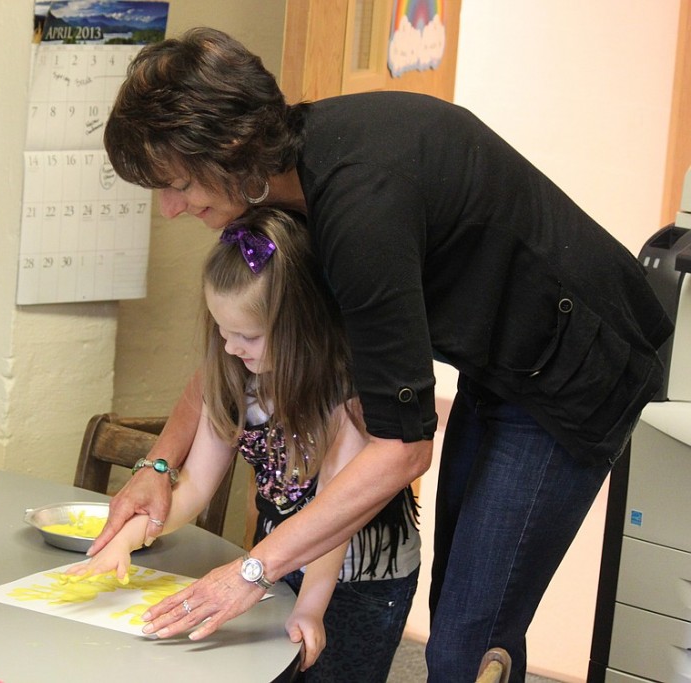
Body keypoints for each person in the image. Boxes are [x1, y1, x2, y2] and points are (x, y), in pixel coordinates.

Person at [90, 27, 674, 682]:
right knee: (469, 608)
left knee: (465, 640)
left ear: (227, 147)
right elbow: (228, 363)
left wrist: (253, 569)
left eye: (174, 184)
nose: (170, 209)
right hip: (507, 361)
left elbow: (403, 449)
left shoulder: (359, 208)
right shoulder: (287, 190)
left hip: (581, 368)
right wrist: (159, 462)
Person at [70, 207, 421, 681]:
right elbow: (193, 487)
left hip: (358, 578)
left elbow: (335, 516)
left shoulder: (347, 396)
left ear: (301, 326)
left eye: (247, 335)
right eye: (220, 328)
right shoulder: (239, 377)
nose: (230, 346)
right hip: (271, 559)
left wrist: (313, 607)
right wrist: (127, 541)